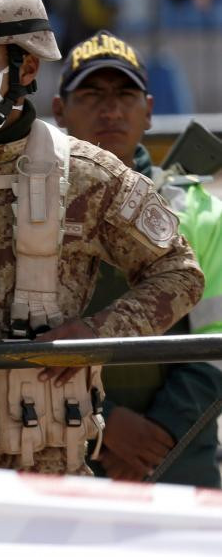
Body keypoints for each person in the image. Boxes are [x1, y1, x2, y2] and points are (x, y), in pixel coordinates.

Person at [0, 0, 204, 475]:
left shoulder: (83, 173)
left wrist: (97, 335)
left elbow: (179, 272)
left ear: (27, 66)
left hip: (41, 467)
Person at [53, 30, 222, 486]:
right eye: (91, 94)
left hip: (177, 459)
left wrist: (159, 435)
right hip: (67, 455)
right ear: (58, 111)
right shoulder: (34, 210)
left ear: (148, 110)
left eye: (124, 94)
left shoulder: (196, 210)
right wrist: (102, 425)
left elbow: (217, 344)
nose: (110, 109)